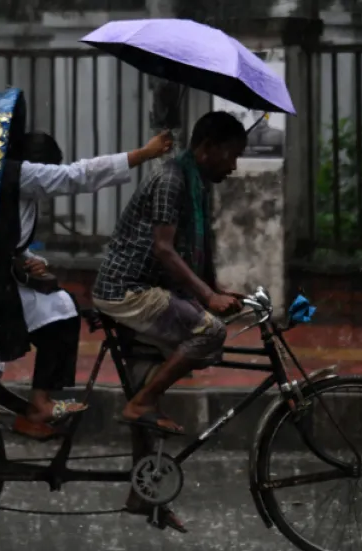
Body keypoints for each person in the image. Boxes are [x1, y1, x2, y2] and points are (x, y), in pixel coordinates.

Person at [91, 111, 247, 531]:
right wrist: (207, 299)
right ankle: (140, 404)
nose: (233, 165)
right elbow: (164, 249)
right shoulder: (171, 180)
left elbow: (195, 250)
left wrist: (218, 291)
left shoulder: (196, 185)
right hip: (128, 290)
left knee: (147, 381)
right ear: (207, 147)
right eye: (231, 155)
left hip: (152, 292)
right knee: (209, 333)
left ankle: (145, 496)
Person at [0, 130, 174, 440]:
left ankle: (41, 400)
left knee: (62, 308)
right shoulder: (19, 174)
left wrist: (30, 259)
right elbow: (79, 176)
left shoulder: (13, 186)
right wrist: (144, 153)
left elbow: (3, 241)